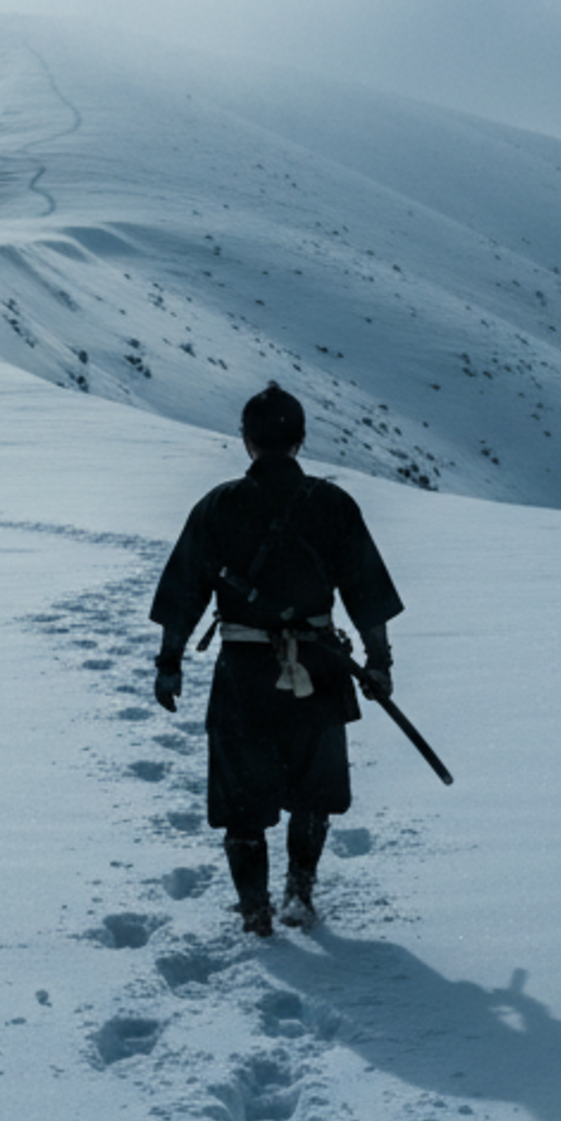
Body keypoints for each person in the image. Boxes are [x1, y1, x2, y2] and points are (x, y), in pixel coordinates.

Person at [150, 383, 404, 936]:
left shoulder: (218, 506)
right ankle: (299, 894)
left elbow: (182, 593)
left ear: (247, 441)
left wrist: (169, 663)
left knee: (241, 803)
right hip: (320, 668)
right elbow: (367, 593)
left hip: (244, 676)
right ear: (300, 440)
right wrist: (379, 662)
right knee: (314, 795)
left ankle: (254, 910)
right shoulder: (333, 504)